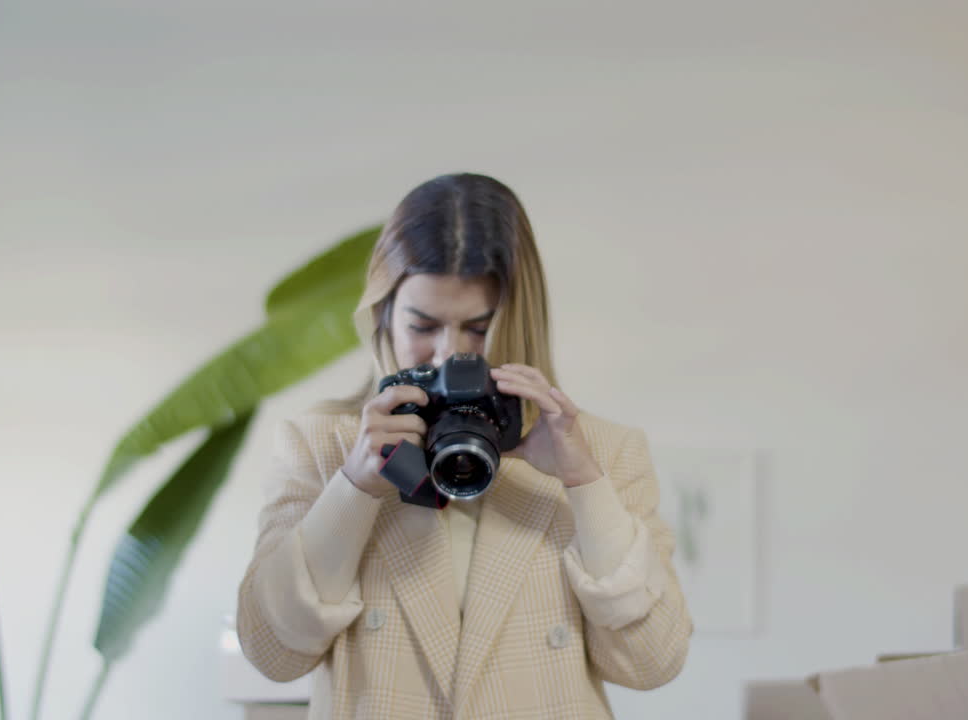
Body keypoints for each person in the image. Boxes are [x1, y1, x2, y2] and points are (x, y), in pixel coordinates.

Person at [237, 173, 692, 719]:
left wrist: (584, 485)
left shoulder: (600, 452)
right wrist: (354, 487)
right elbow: (273, 655)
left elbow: (652, 665)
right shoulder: (322, 446)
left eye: (479, 328)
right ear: (384, 315)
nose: (448, 353)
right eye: (423, 325)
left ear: (521, 320)